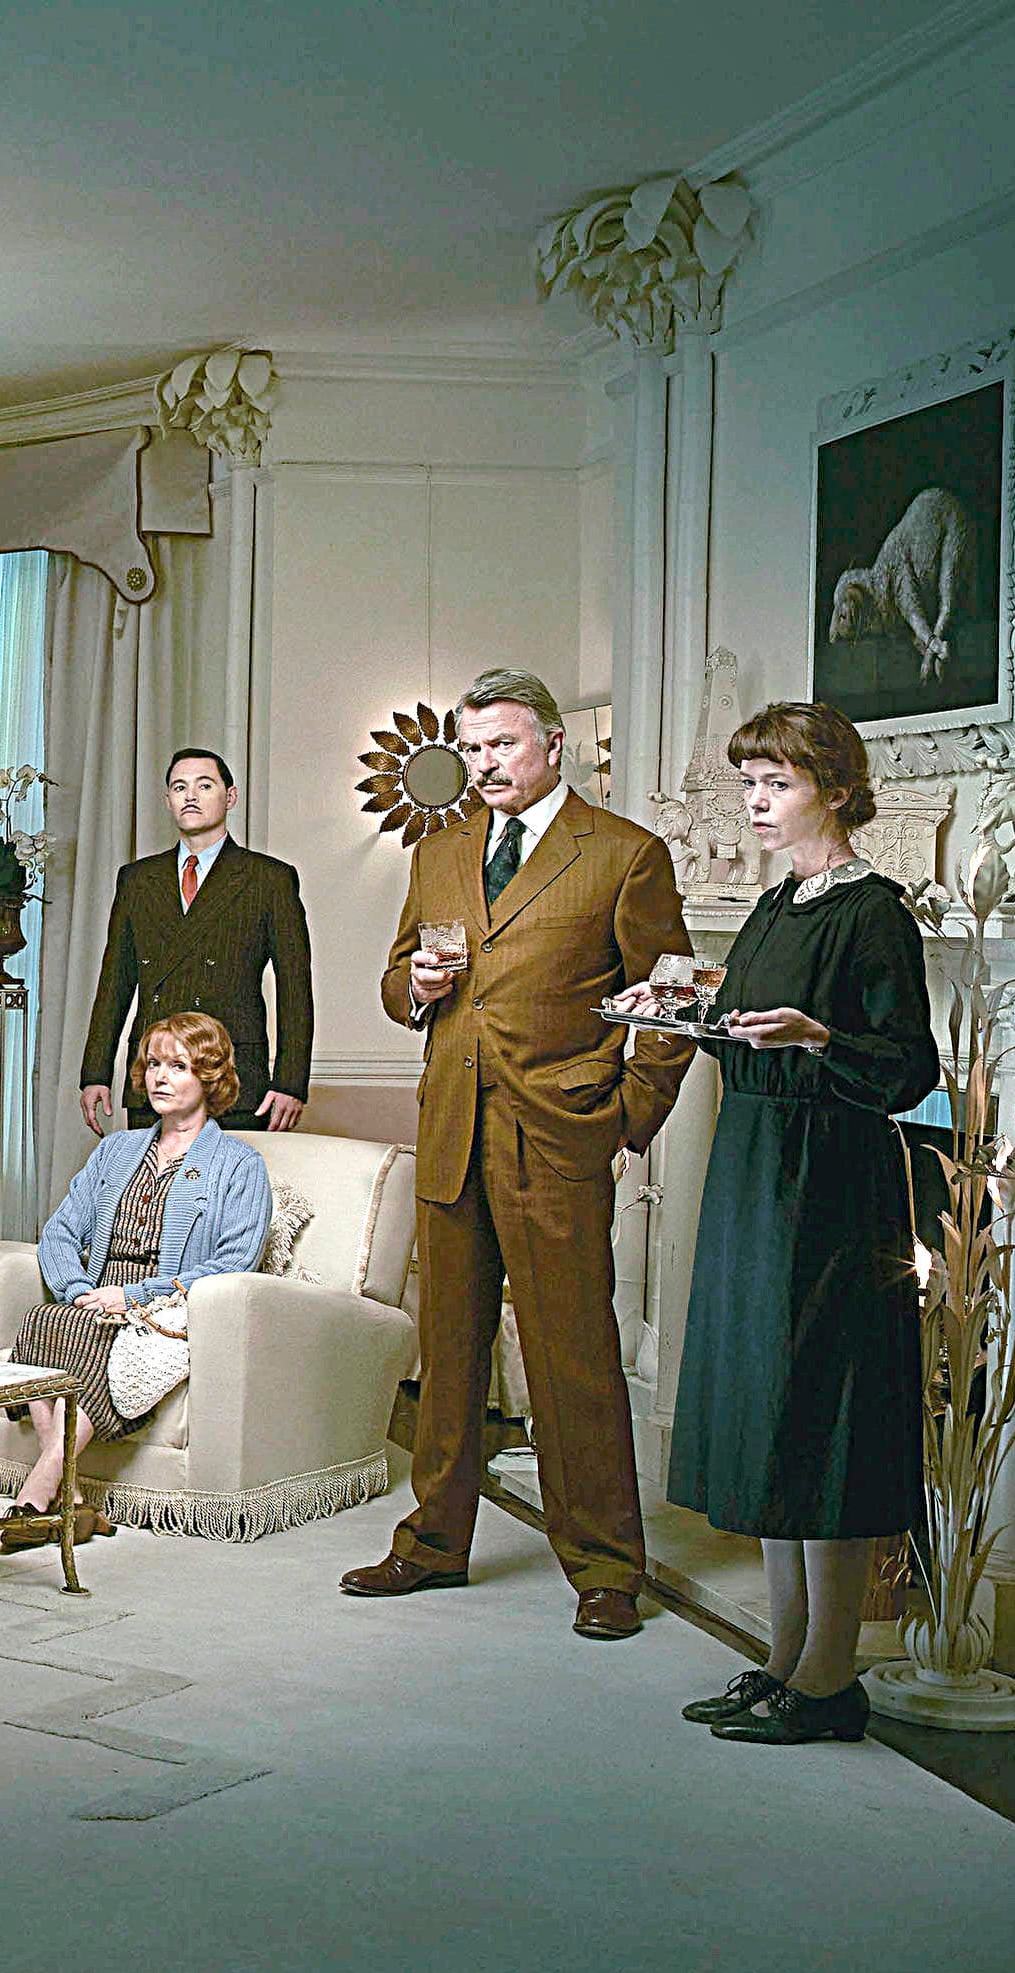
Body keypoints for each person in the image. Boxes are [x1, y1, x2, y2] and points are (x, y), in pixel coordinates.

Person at [342, 667, 692, 1641]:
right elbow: (395, 979)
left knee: (572, 1359)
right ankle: (431, 1543)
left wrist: (624, 1115)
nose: (484, 763)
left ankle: (605, 1568)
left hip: (558, 1136)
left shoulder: (621, 853)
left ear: (551, 744)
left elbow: (671, 996)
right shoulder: (439, 849)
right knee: (447, 1353)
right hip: (451, 1129)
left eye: (500, 743)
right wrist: (412, 985)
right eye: (471, 747)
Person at [648, 704, 935, 1744]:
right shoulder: (773, 904)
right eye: (748, 783)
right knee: (768, 1412)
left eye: (775, 783)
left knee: (819, 1416)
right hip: (754, 1167)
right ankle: (779, 1660)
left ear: (834, 791)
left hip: (831, 1184)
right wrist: (684, 1014)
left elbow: (908, 1068)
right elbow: (745, 1032)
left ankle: (826, 1679)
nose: (755, 803)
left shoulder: (873, 912)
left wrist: (818, 1038)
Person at [4, 1012, 273, 1551]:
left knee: (87, 1332)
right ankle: (72, 1502)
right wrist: (77, 1289)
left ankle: (36, 1496)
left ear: (210, 1077)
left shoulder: (239, 1164)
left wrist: (131, 1296)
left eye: (178, 1066)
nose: (160, 1077)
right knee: (45, 1318)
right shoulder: (116, 1150)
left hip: (161, 1307)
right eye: (153, 1064)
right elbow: (59, 1231)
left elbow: (234, 1262)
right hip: (94, 1296)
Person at [78, 748, 314, 1135]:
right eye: (179, 787)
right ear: (167, 800)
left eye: (204, 786)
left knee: (227, 1176)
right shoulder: (137, 879)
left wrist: (290, 1083)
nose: (190, 796)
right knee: (150, 1176)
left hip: (234, 1076)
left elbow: (295, 987)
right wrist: (95, 1074)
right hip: (154, 1076)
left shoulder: (269, 879)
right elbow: (114, 982)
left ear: (230, 796)